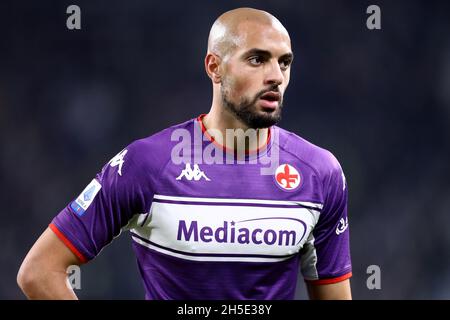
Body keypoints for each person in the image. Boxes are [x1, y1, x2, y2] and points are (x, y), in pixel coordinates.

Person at [17, 7, 352, 300]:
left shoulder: (320, 174)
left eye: (284, 62)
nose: (276, 76)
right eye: (257, 59)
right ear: (214, 67)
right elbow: (40, 271)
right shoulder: (146, 164)